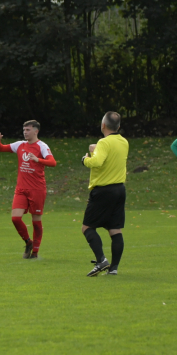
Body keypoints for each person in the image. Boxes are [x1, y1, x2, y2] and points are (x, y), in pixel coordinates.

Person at [0, 121, 57, 259]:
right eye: (24, 129)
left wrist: (38, 160)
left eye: (28, 129)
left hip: (37, 189)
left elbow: (53, 162)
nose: (25, 132)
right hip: (21, 189)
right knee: (15, 218)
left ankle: (35, 252)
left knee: (36, 221)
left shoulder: (42, 146)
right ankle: (28, 242)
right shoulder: (19, 145)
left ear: (36, 131)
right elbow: (1, 149)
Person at [81, 112, 129, 277]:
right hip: (119, 189)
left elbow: (97, 162)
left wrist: (86, 158)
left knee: (87, 227)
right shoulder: (124, 142)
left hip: (103, 190)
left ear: (103, 125)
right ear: (119, 127)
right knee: (115, 230)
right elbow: (110, 160)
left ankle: (101, 260)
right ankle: (114, 268)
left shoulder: (104, 142)